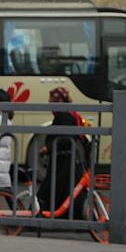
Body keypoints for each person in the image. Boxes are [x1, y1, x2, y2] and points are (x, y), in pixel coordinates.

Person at [38, 87, 89, 216]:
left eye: (51, 100)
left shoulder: (64, 115)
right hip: (64, 161)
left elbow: (66, 138)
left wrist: (47, 148)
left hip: (64, 163)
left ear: (59, 100)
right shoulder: (68, 113)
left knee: (54, 190)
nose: (49, 103)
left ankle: (45, 215)